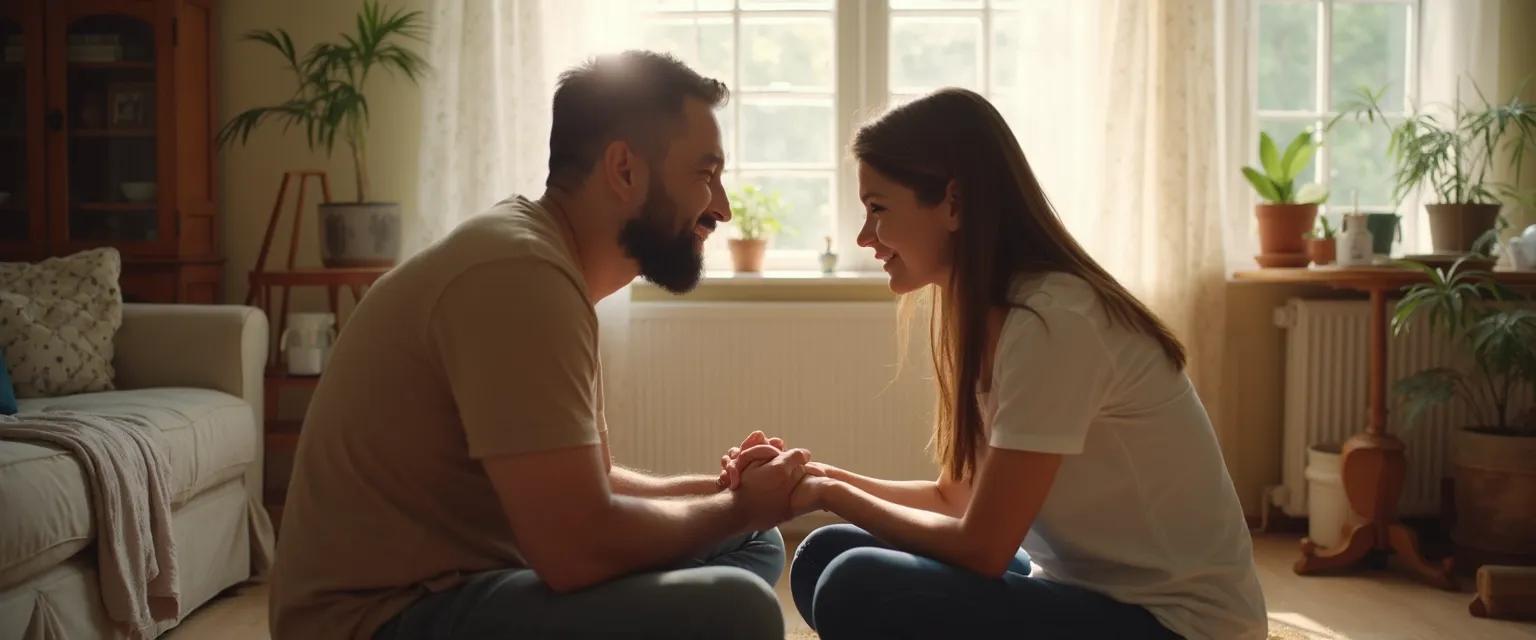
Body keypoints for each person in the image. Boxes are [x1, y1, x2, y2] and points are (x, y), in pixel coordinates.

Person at [270, 51, 809, 640]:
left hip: (474, 580)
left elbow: (590, 484)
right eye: (705, 175)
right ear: (625, 169)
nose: (722, 208)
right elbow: (575, 548)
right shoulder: (519, 275)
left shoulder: (546, 265)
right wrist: (738, 505)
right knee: (739, 608)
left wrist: (729, 493)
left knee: (753, 542)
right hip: (383, 617)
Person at [726, 88, 1267, 639]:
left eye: (878, 209)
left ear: (954, 204)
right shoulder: (992, 316)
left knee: (855, 582)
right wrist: (811, 476)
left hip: (1175, 625)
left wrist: (828, 494)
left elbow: (984, 548)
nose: (865, 237)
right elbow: (954, 498)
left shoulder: (1054, 322)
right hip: (1078, 592)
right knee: (825, 553)